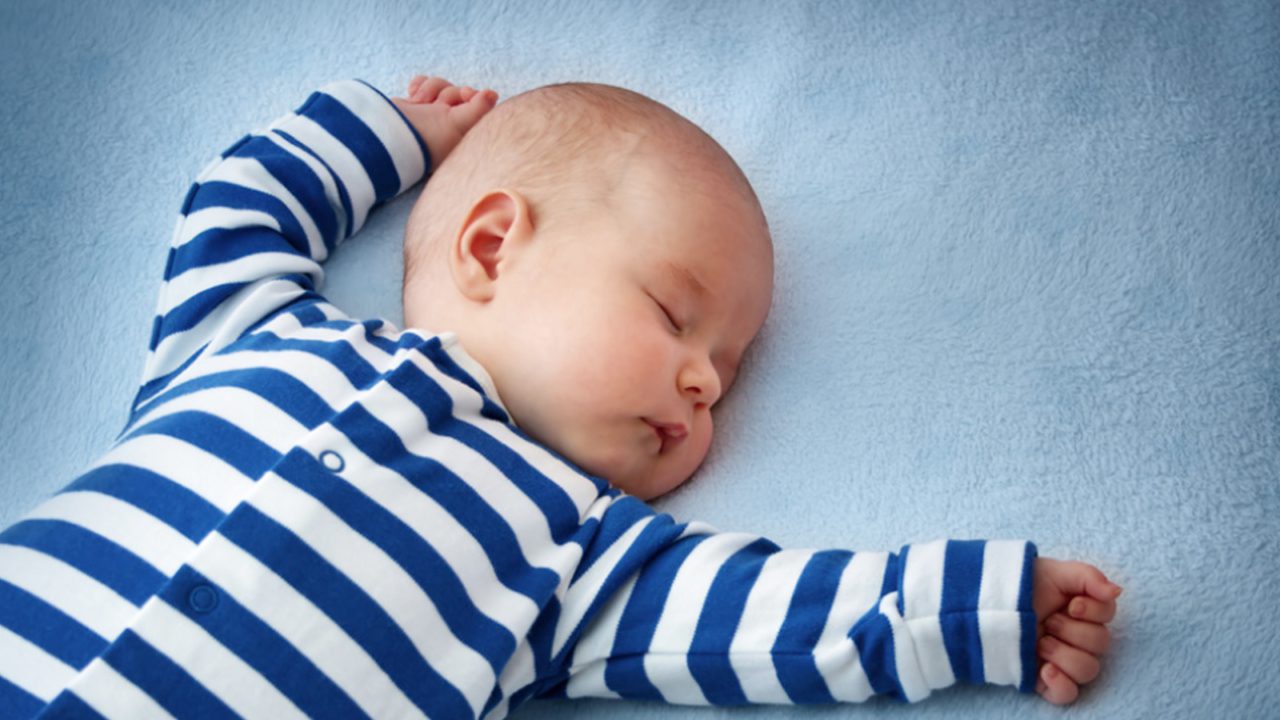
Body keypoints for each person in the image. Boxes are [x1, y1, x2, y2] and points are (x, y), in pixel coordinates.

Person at [0, 74, 1120, 718]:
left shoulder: (575, 555)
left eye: (724, 376)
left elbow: (769, 620)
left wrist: (985, 609)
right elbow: (238, 204)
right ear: (491, 244)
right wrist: (385, 133)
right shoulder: (252, 333)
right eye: (677, 318)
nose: (702, 380)